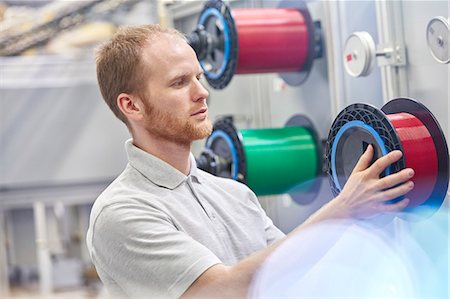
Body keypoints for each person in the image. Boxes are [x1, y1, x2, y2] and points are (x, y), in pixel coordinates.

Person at [86, 24, 415, 299]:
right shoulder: (122, 213)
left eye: (199, 77)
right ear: (131, 106)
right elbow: (219, 291)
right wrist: (343, 210)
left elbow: (294, 274)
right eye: (179, 82)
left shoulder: (234, 195)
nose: (201, 92)